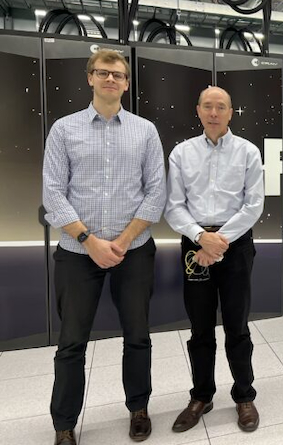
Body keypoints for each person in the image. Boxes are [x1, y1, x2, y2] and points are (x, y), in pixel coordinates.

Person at [43, 49, 166, 445]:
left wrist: (123, 241)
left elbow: (155, 193)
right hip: (79, 254)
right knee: (72, 343)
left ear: (127, 84)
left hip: (134, 252)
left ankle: (139, 408)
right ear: (90, 79)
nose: (110, 79)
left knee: (137, 335)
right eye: (102, 73)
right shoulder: (64, 129)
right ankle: (64, 424)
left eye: (117, 74)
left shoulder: (145, 131)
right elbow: (53, 194)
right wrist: (89, 241)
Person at [165, 86, 264, 433]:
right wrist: (201, 238)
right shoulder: (182, 153)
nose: (214, 112)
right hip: (195, 243)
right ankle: (202, 395)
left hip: (235, 245)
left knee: (237, 326)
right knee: (200, 328)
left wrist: (218, 242)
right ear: (198, 110)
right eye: (207, 106)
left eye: (221, 106)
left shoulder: (248, 152)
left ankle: (244, 395)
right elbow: (173, 206)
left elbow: (253, 206)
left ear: (230, 112)